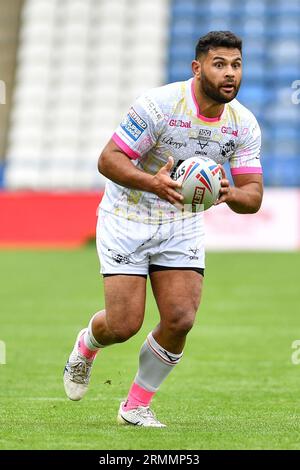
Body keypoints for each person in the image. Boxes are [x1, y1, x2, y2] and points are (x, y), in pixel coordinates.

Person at [63, 31, 263, 427]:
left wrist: (227, 193)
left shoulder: (243, 124)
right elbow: (109, 159)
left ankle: (135, 406)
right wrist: (155, 182)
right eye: (219, 64)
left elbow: (253, 196)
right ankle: (86, 345)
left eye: (236, 65)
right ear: (198, 67)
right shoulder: (160, 104)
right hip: (128, 218)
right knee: (123, 325)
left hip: (182, 224)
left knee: (181, 318)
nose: (229, 74)